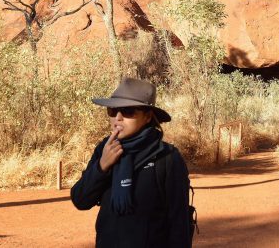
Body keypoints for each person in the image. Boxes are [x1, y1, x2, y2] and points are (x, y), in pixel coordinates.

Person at [71, 77, 192, 248]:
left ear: (148, 116)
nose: (118, 118)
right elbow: (80, 200)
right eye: (112, 111)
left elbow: (179, 223)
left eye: (128, 111)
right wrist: (102, 167)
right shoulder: (104, 149)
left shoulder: (167, 157)